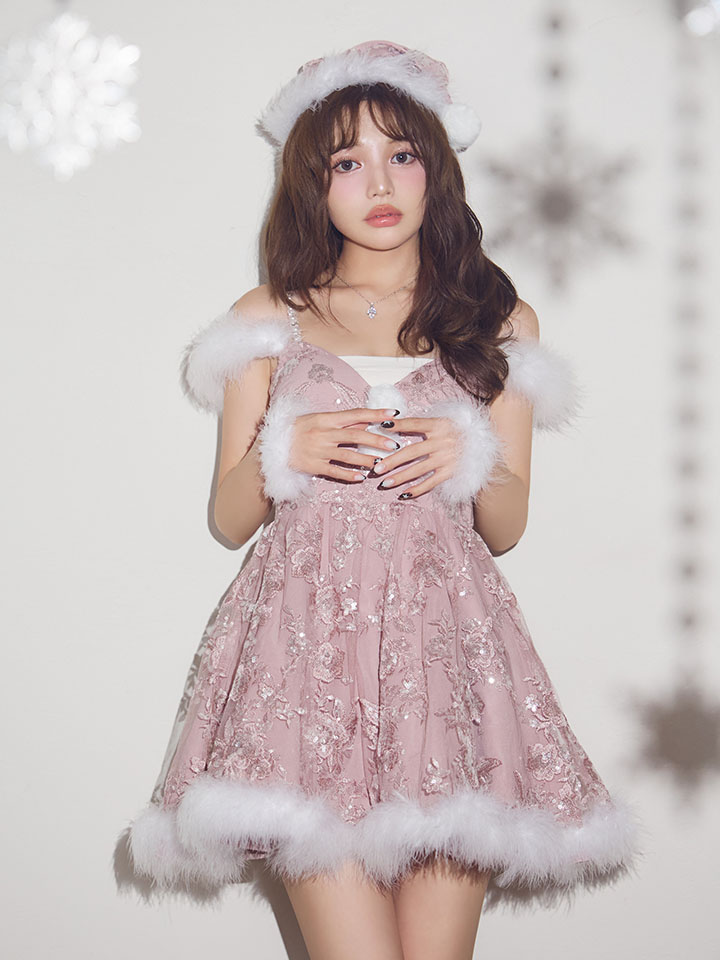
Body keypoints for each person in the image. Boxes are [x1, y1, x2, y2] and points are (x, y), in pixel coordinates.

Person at [123, 40, 645, 960]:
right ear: (313, 184)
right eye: (346, 162)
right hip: (304, 661)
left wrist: (472, 457)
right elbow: (229, 518)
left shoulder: (496, 318)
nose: (379, 182)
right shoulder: (269, 316)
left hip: (447, 661)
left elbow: (507, 529)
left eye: (401, 153)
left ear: (436, 169)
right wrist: (280, 454)